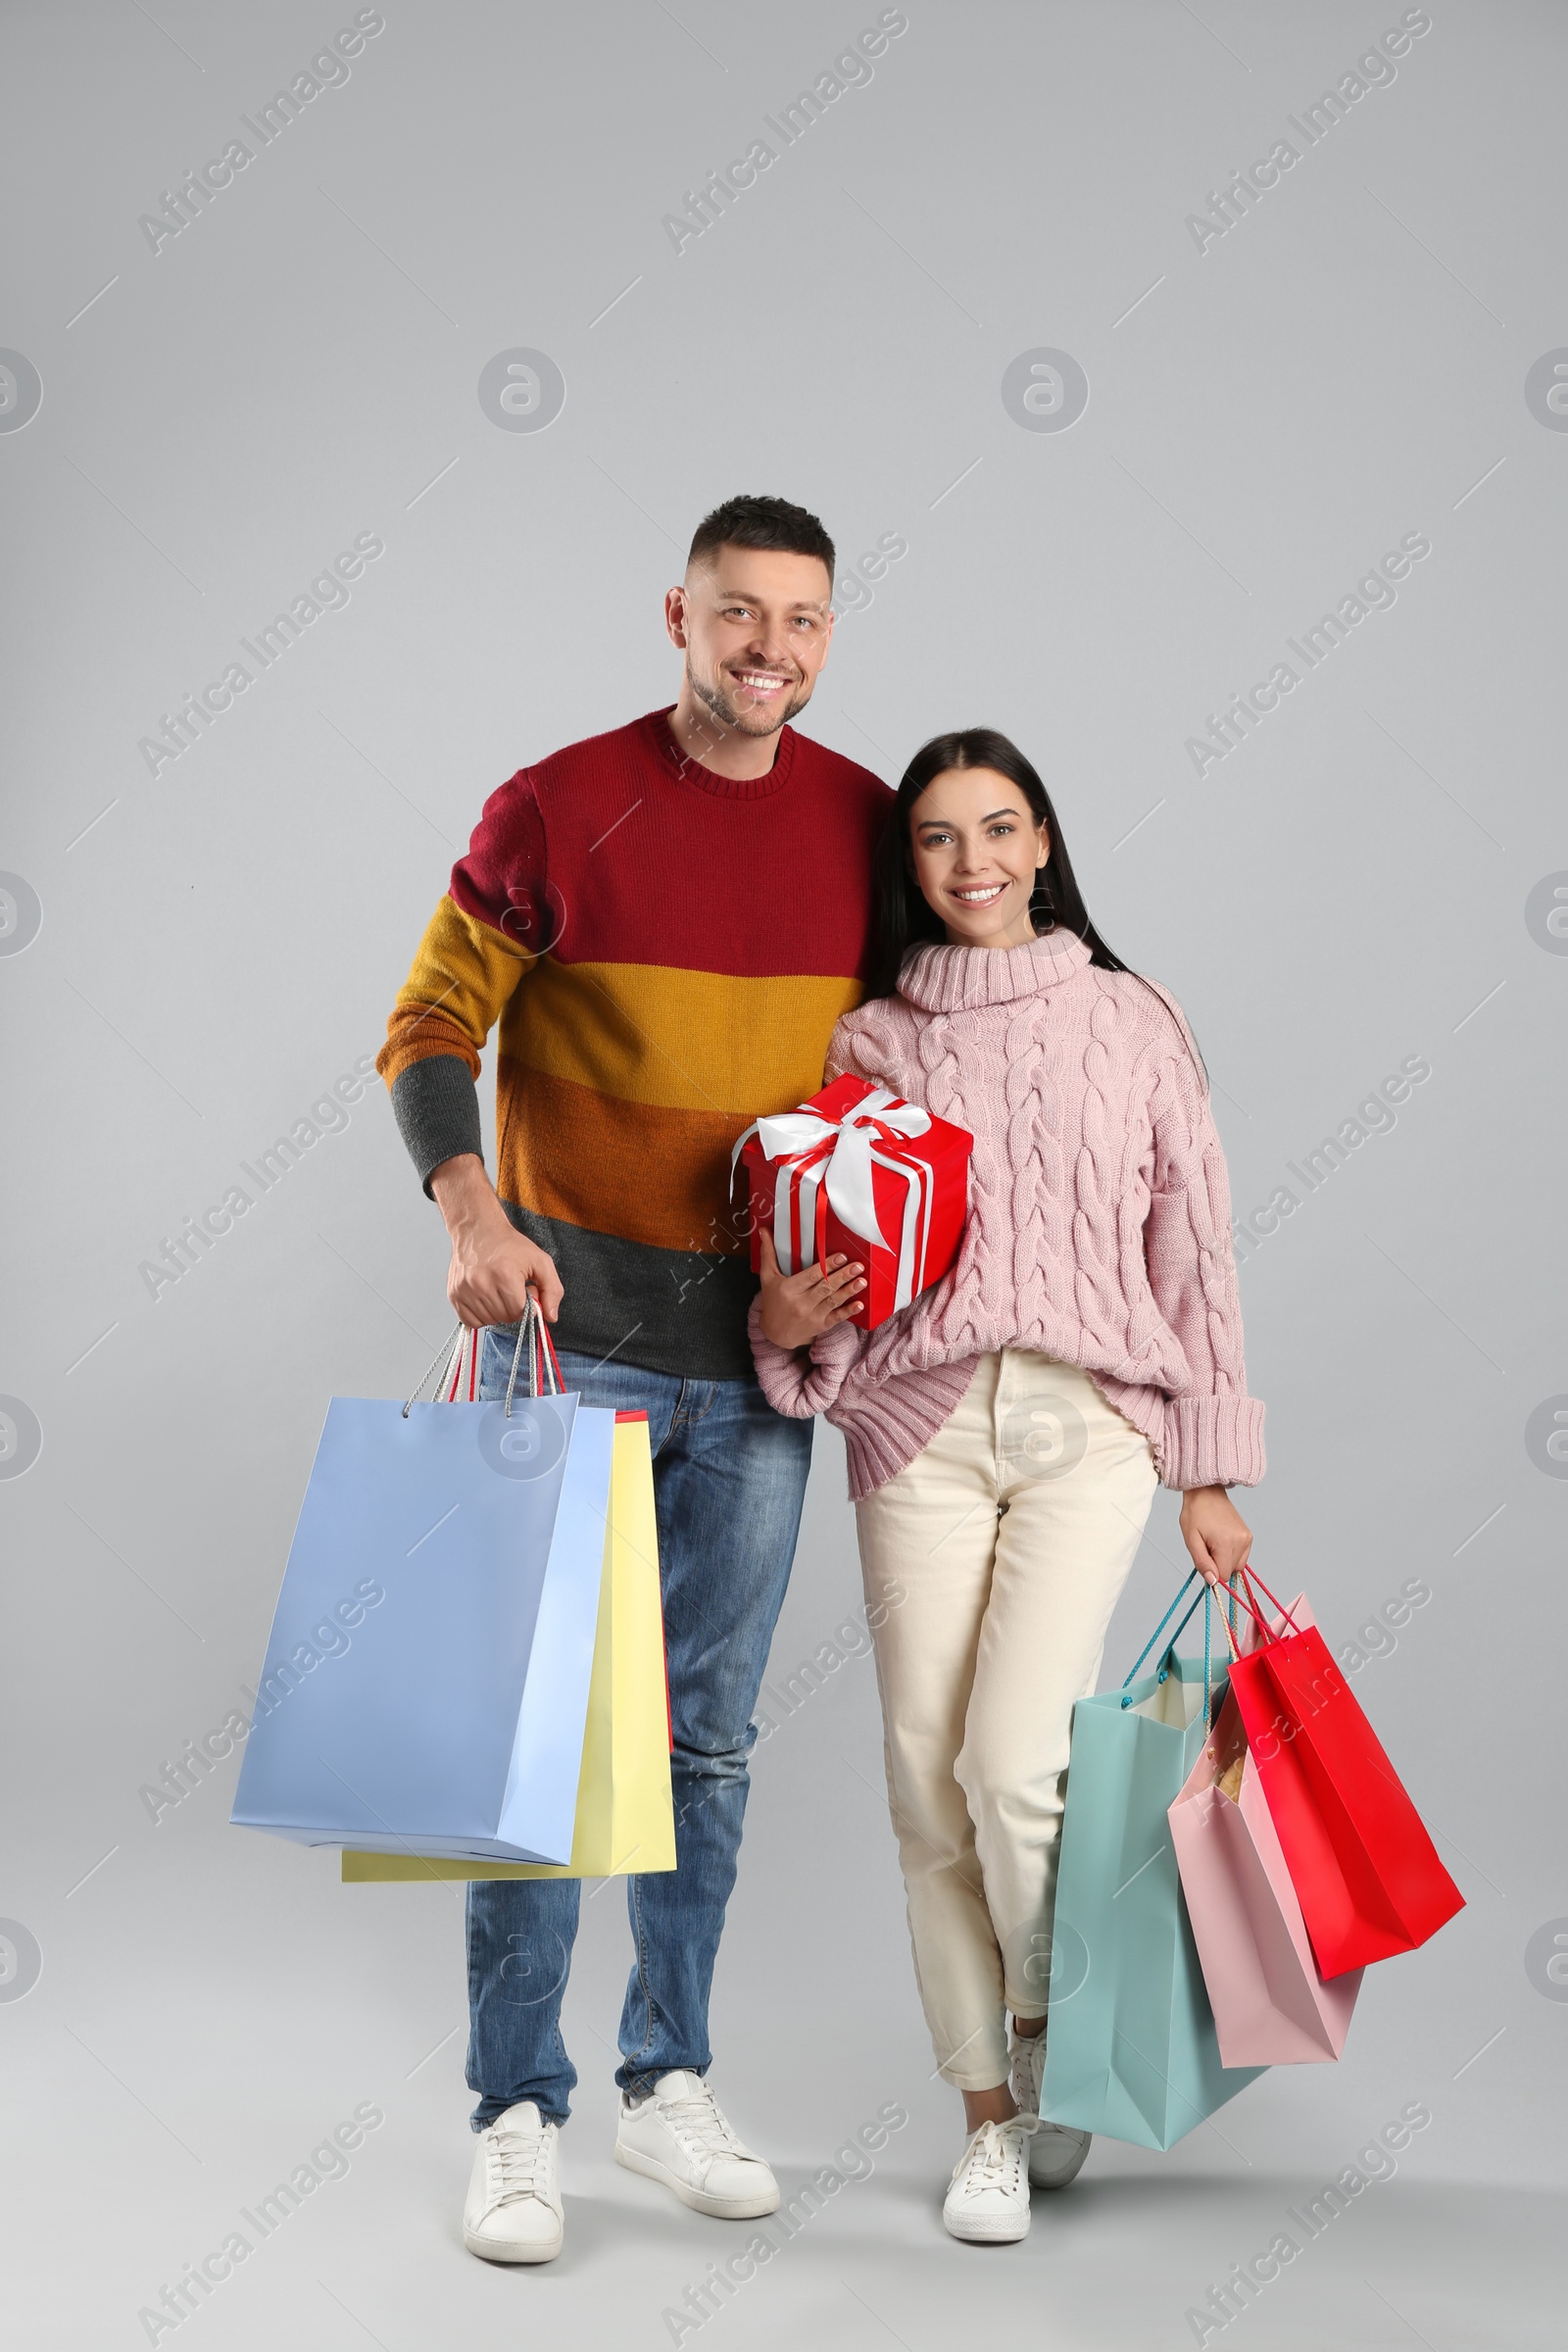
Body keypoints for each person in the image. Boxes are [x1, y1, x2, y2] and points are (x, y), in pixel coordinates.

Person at [376, 495, 890, 2264]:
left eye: (804, 623)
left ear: (832, 636)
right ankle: (518, 2114)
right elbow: (430, 1025)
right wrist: (470, 1209)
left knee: (708, 1739)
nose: (771, 653)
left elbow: (913, 1076)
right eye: (739, 616)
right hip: (565, 1336)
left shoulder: (872, 826)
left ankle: (667, 2080)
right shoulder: (555, 802)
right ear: (677, 614)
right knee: (537, 1735)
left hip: (759, 1365)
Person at [750, 728, 1264, 2244]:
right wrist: (788, 1318)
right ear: (906, 866)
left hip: (1087, 1425)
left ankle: (1064, 2041)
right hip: (917, 1427)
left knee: (1012, 1768)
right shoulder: (873, 1038)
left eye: (999, 828)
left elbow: (1198, 1245)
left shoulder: (1133, 1018)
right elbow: (827, 1248)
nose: (971, 862)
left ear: (1044, 844)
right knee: (923, 1782)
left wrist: (1211, 1466)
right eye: (935, 839)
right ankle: (987, 2116)